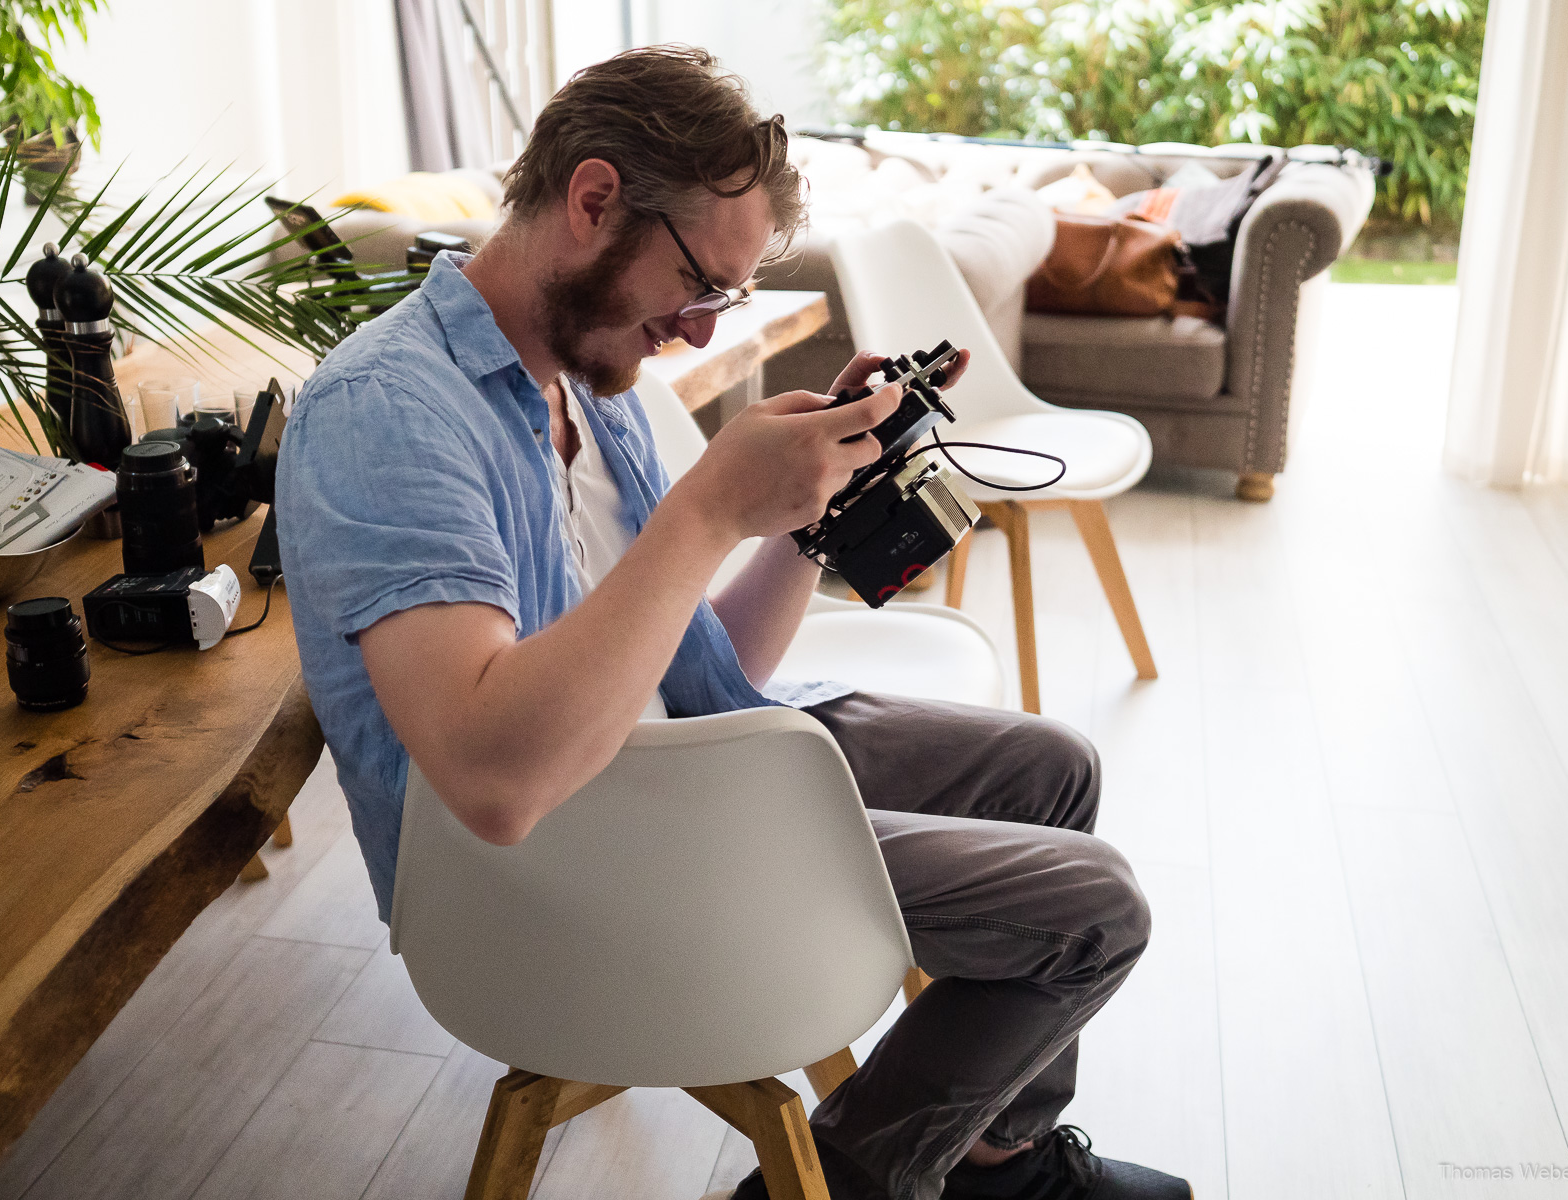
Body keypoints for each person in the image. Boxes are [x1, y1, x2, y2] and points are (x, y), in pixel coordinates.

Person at [276, 45, 1189, 1200]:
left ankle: (994, 1159)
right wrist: (708, 508)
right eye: (701, 285)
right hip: (569, 871)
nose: (702, 333)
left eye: (727, 299)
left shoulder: (573, 379)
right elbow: (497, 782)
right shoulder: (389, 414)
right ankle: (846, 1186)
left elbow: (698, 669)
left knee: (1051, 772)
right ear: (595, 200)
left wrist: (804, 523)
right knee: (1095, 911)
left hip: (683, 777)